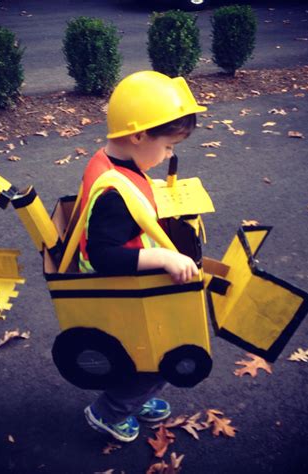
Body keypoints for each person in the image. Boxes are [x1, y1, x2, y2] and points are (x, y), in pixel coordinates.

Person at [79, 70, 207, 442]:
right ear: (138, 136)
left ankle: (133, 399)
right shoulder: (115, 194)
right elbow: (104, 256)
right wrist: (164, 260)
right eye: (168, 145)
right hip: (123, 290)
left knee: (144, 355)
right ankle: (111, 411)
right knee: (162, 354)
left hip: (130, 284)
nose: (171, 154)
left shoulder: (114, 162)